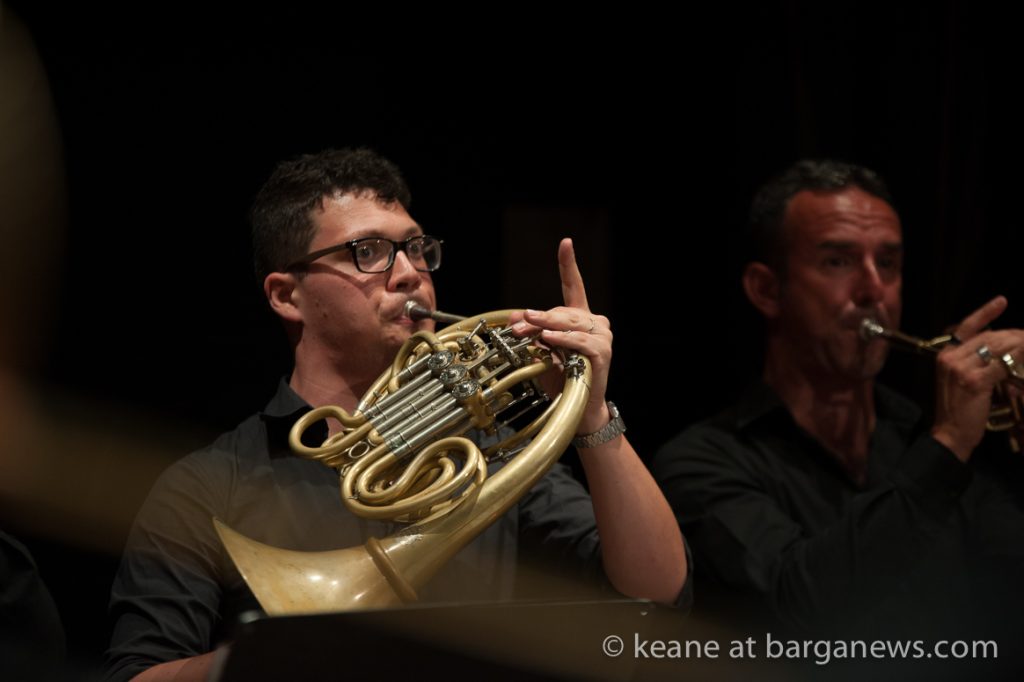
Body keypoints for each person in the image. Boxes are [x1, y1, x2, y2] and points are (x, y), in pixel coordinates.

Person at [105, 148, 689, 681]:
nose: (410, 272)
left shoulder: (491, 449)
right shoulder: (209, 486)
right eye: (368, 252)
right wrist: (275, 655)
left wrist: (589, 409)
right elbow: (136, 673)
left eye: (415, 248)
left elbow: (659, 592)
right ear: (287, 295)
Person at [653, 160, 1024, 642]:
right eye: (838, 262)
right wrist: (949, 443)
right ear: (766, 290)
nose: (873, 290)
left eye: (887, 263)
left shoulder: (923, 438)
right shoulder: (701, 463)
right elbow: (800, 608)